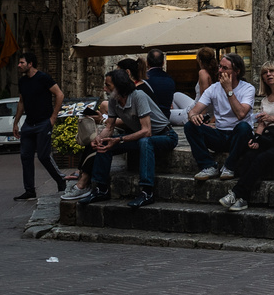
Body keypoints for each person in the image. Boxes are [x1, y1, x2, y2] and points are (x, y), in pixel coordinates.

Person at [75, 68, 179, 209]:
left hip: (165, 136)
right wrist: (99, 138)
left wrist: (119, 140)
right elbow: (109, 127)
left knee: (144, 141)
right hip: (144, 138)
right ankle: (100, 189)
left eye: (108, 85)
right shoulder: (113, 100)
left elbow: (146, 131)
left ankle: (147, 191)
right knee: (104, 143)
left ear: (119, 86)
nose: (105, 88)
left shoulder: (138, 96)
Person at [220, 61, 274, 212]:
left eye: (272, 71)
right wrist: (255, 140)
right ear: (263, 78)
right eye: (265, 73)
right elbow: (262, 124)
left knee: (262, 158)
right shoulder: (265, 100)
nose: (269, 74)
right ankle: (243, 200)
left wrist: (271, 118)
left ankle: (236, 193)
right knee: (249, 154)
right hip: (272, 137)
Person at [183, 52, 257, 181]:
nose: (220, 71)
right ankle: (208, 166)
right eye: (220, 67)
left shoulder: (248, 89)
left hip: (239, 137)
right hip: (220, 134)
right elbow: (194, 110)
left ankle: (229, 166)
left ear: (237, 72)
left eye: (225, 68)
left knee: (244, 127)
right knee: (190, 126)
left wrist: (229, 90)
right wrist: (193, 116)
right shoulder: (213, 88)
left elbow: (241, 114)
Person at [10, 51, 67, 201]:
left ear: (30, 64)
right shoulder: (22, 82)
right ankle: (29, 190)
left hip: (43, 123)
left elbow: (59, 94)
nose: (19, 65)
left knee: (43, 156)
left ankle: (60, 179)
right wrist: (16, 123)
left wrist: (53, 118)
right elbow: (21, 102)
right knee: (25, 156)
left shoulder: (43, 78)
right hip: (29, 124)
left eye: (22, 63)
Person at [143, 49, 177, 116]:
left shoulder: (143, 80)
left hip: (149, 116)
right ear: (163, 63)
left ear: (147, 63)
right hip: (165, 116)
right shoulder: (170, 80)